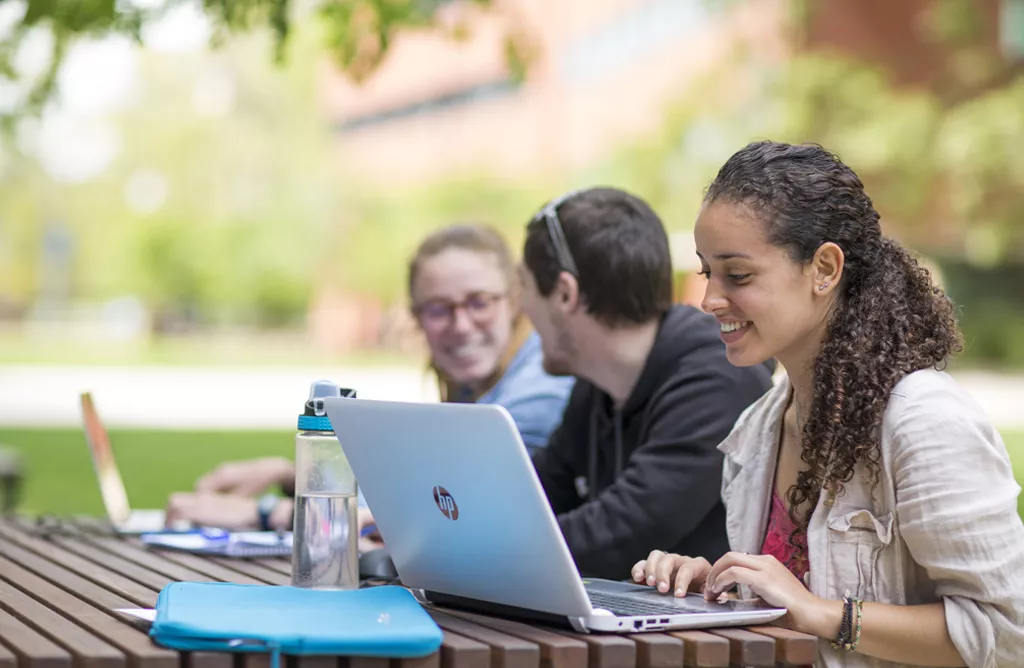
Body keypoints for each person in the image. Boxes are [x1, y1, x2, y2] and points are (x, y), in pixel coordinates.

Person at [633, 141, 1024, 667]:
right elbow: (790, 609)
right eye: (707, 272)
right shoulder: (759, 427)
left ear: (824, 268)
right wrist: (723, 590)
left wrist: (821, 612)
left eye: (738, 275)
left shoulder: (924, 421)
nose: (709, 300)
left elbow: (1003, 631)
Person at [360, 187, 775, 578]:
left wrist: (444, 553)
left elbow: (620, 531)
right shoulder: (596, 384)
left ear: (563, 294)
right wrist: (418, 531)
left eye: (522, 288)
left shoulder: (716, 377)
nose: (521, 309)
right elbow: (530, 493)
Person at [164, 224, 575, 530]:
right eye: (438, 309)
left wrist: (267, 513)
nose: (461, 325)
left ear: (515, 302)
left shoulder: (539, 391)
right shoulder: (480, 387)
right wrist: (291, 474)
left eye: (479, 303)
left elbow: (441, 516)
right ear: (417, 319)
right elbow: (415, 488)